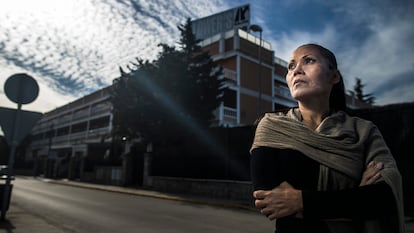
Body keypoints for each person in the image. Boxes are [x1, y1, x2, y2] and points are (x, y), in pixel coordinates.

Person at [250, 43, 405, 233]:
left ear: (334, 76)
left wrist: (301, 201)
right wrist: (355, 199)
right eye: (291, 66)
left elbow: (384, 197)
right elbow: (270, 201)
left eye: (308, 61)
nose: (296, 70)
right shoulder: (271, 126)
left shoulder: (363, 131)